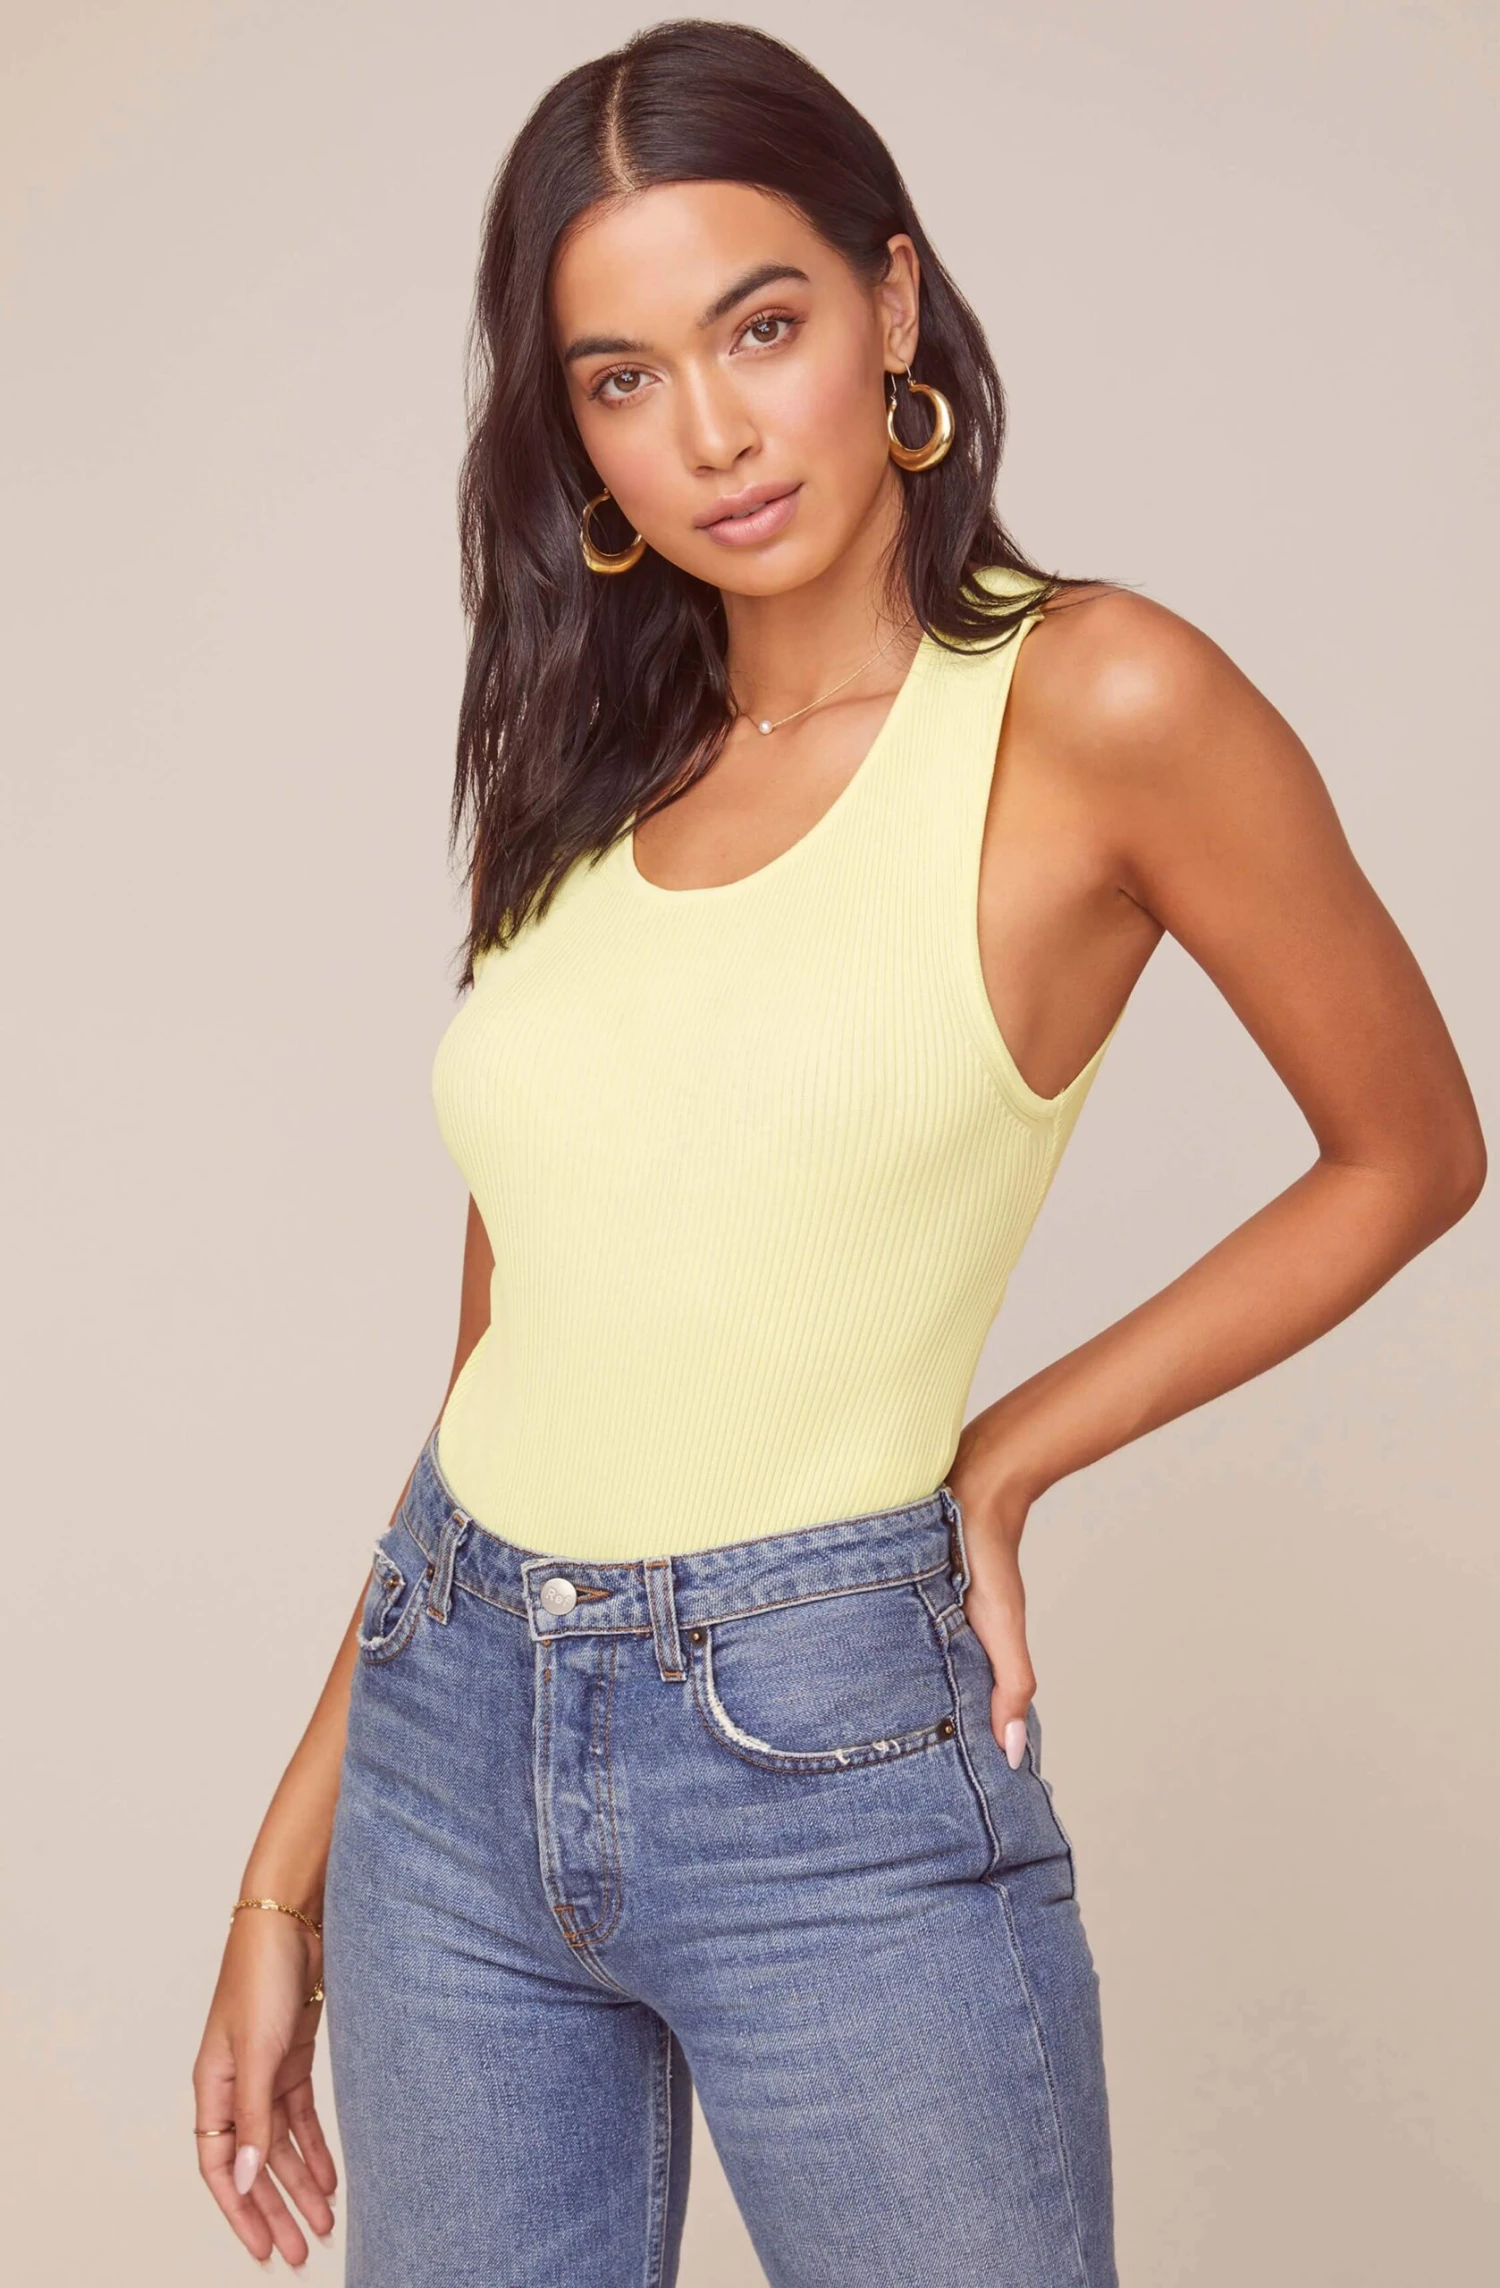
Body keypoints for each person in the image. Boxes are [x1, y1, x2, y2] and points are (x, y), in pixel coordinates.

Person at [191, 21, 1485, 2286]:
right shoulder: (590, 757)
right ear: (573, 432)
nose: (709, 431)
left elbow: (1411, 1149)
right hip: (444, 1739)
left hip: (821, 1753)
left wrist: (1009, 1458)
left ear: (891, 305)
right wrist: (285, 1863)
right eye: (622, 378)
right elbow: (511, 1343)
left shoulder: (1097, 703)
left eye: (760, 327)